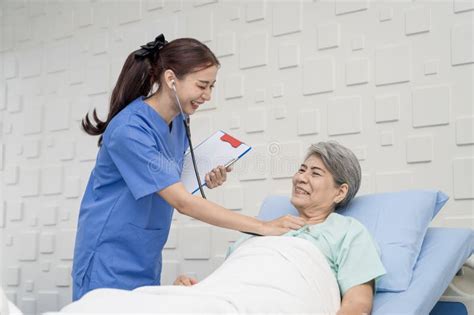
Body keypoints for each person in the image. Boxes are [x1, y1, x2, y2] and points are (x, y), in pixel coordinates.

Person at [71, 34, 307, 301]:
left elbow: (161, 178)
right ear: (171, 80)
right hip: (108, 253)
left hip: (144, 250)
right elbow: (181, 201)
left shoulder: (177, 123)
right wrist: (262, 226)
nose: (207, 96)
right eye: (202, 85)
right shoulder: (130, 129)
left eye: (212, 86)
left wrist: (203, 177)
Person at [174, 141, 386, 314]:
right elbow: (233, 279)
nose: (301, 178)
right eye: (301, 170)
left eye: (315, 173)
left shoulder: (348, 231)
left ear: (340, 192)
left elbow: (357, 304)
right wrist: (196, 289)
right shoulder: (265, 228)